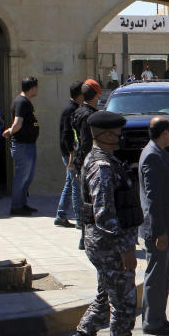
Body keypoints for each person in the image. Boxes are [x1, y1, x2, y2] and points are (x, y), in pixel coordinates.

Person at [57, 111, 153, 336]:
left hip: (104, 244)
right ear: (103, 135)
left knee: (104, 300)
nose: (119, 137)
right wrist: (125, 248)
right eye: (115, 133)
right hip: (110, 246)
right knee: (123, 305)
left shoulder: (103, 161)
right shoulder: (102, 167)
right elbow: (105, 214)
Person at [138, 117, 169, 335]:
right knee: (155, 277)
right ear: (164, 133)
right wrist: (160, 232)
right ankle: (151, 321)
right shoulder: (152, 157)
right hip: (158, 229)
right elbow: (152, 199)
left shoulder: (158, 153)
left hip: (165, 227)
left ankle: (159, 317)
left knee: (162, 277)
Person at [2, 76, 40, 216]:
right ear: (32, 88)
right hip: (22, 145)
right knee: (22, 177)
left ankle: (23, 204)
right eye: (36, 87)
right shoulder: (21, 102)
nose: (37, 89)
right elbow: (18, 123)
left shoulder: (25, 102)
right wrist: (10, 131)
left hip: (28, 144)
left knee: (27, 177)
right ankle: (16, 207)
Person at [72, 80, 103, 246]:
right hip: (88, 162)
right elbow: (85, 143)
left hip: (81, 161)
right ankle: (87, 238)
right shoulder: (89, 116)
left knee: (87, 200)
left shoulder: (78, 111)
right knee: (91, 202)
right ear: (96, 94)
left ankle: (86, 237)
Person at [56, 81, 85, 228]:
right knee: (76, 186)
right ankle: (80, 220)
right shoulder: (71, 110)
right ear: (80, 94)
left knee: (70, 182)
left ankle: (61, 215)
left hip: (69, 153)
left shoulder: (74, 108)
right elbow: (67, 134)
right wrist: (71, 156)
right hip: (70, 154)